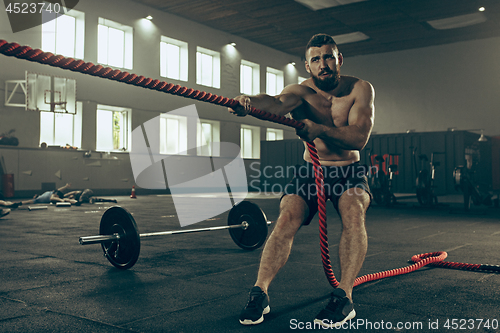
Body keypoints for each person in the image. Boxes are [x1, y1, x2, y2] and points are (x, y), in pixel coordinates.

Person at [228, 33, 375, 328]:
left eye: (329, 57)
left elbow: (359, 137)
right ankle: (260, 292)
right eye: (316, 59)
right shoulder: (301, 92)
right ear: (307, 65)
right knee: (286, 217)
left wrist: (319, 129)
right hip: (312, 170)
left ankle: (344, 296)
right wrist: (247, 102)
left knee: (353, 210)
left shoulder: (360, 89)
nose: (324, 64)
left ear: (339, 60)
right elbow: (275, 103)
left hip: (349, 170)